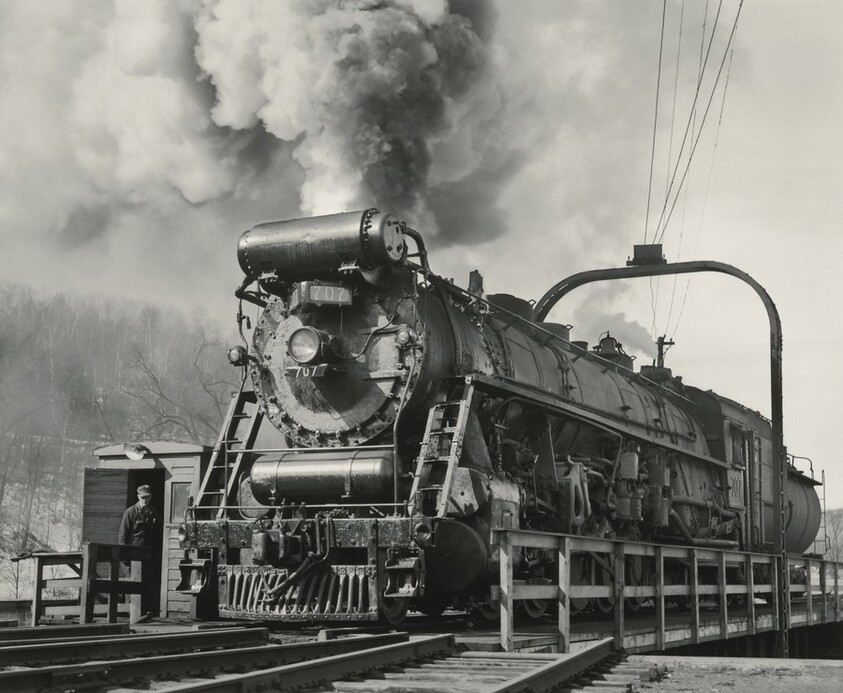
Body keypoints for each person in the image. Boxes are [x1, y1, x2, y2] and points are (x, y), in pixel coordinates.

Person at [118, 485, 162, 616]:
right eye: (142, 498)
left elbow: (158, 535)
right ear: (138, 497)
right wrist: (123, 555)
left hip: (147, 554)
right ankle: (129, 613)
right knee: (131, 582)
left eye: (147, 497)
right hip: (132, 554)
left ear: (151, 497)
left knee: (147, 581)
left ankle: (144, 611)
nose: (145, 500)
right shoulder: (130, 512)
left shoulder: (154, 513)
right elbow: (122, 534)